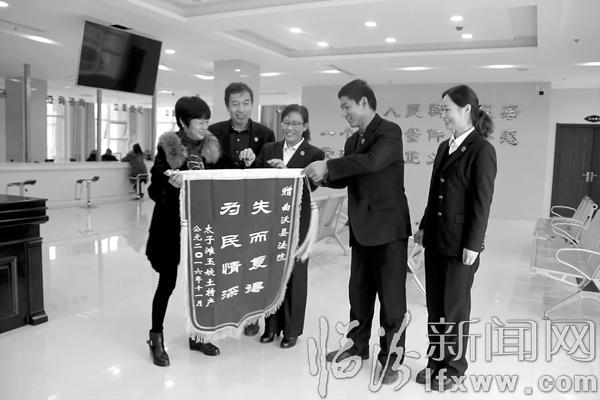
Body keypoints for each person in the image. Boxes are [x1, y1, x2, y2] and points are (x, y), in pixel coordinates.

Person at [304, 79, 411, 385]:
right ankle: (356, 346)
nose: (344, 113)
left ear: (364, 102)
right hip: (362, 230)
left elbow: (372, 162)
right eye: (342, 108)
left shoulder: (389, 132)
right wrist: (321, 176)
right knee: (359, 295)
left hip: (389, 231)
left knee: (392, 301)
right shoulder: (353, 141)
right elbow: (349, 175)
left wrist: (329, 165)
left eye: (346, 106)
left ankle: (390, 360)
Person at [413, 85, 497, 391]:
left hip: (461, 243)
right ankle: (436, 362)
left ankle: (454, 368)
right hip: (436, 239)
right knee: (435, 305)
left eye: (447, 109)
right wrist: (424, 225)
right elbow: (435, 192)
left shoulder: (481, 149)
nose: (443, 115)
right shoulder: (444, 147)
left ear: (466, 109)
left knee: (455, 309)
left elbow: (481, 202)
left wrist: (474, 244)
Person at [145, 96, 222, 367]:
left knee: (200, 281)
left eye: (207, 121)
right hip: (171, 227)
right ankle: (155, 337)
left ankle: (197, 335)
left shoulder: (211, 148)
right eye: (200, 122)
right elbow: (154, 191)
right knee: (167, 282)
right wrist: (172, 186)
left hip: (202, 224)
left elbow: (222, 181)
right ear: (182, 122)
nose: (205, 127)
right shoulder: (168, 149)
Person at [253, 104, 325, 349]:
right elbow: (256, 179)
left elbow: (312, 187)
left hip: (299, 221)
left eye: (296, 123)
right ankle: (271, 326)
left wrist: (288, 173)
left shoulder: (314, 153)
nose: (290, 127)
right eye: (286, 122)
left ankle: (291, 330)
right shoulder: (269, 148)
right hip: (271, 219)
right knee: (271, 272)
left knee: (295, 274)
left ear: (305, 126)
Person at [208, 82, 275, 337]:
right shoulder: (214, 133)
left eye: (246, 103)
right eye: (235, 103)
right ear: (227, 105)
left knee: (252, 263)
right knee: (226, 261)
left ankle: (252, 315)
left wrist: (254, 163)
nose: (241, 109)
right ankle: (226, 310)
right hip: (223, 209)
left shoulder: (265, 134)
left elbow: (269, 172)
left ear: (252, 104)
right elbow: (207, 169)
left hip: (254, 210)